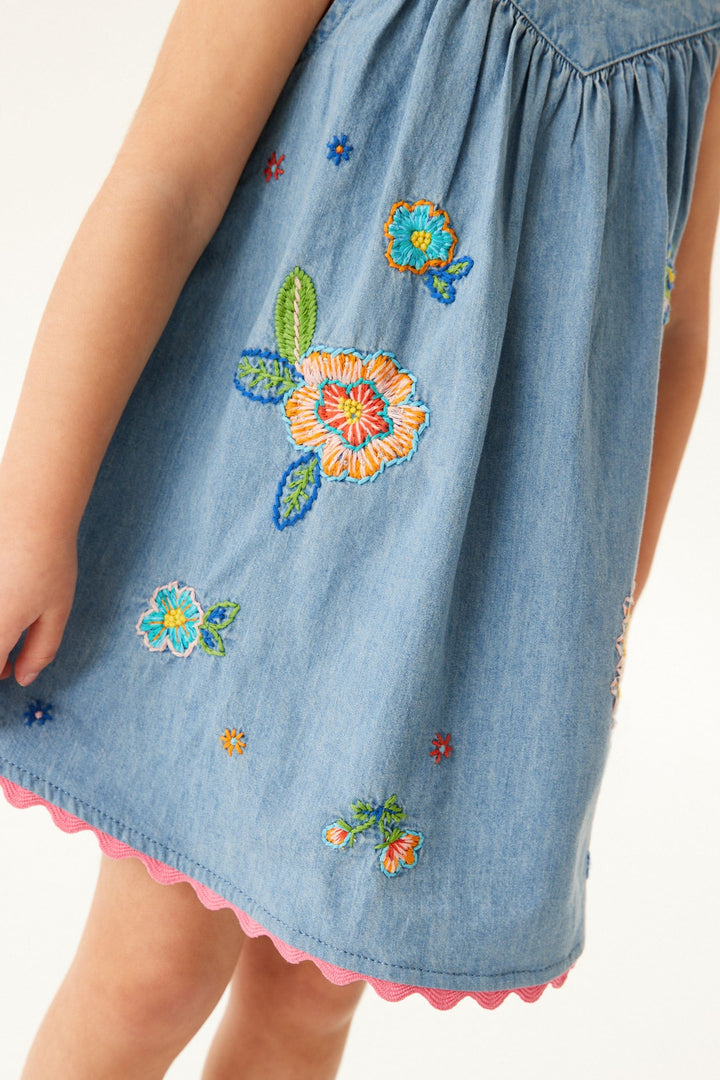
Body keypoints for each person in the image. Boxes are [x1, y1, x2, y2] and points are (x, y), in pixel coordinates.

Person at [1, 1, 719, 1076]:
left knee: (308, 1007)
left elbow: (674, 324)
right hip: (254, 539)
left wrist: (598, 617)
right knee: (148, 976)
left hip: (462, 614)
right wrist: (30, 511)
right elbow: (166, 181)